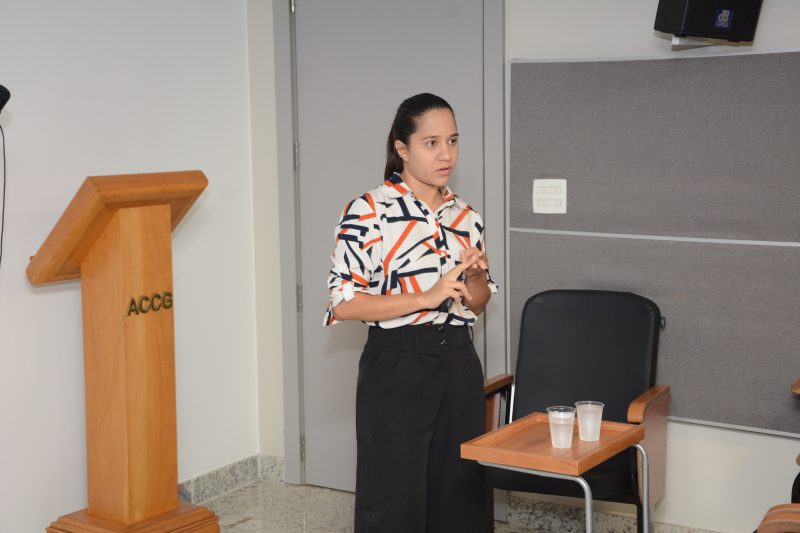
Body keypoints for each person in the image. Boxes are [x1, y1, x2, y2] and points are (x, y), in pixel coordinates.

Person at [324, 93, 497, 532]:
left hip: (458, 361)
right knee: (393, 501)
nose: (446, 154)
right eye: (431, 143)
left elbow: (477, 302)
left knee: (461, 496)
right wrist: (424, 297)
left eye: (453, 141)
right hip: (396, 364)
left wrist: (477, 275)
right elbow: (343, 302)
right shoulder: (368, 211)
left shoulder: (466, 216)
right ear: (402, 148)